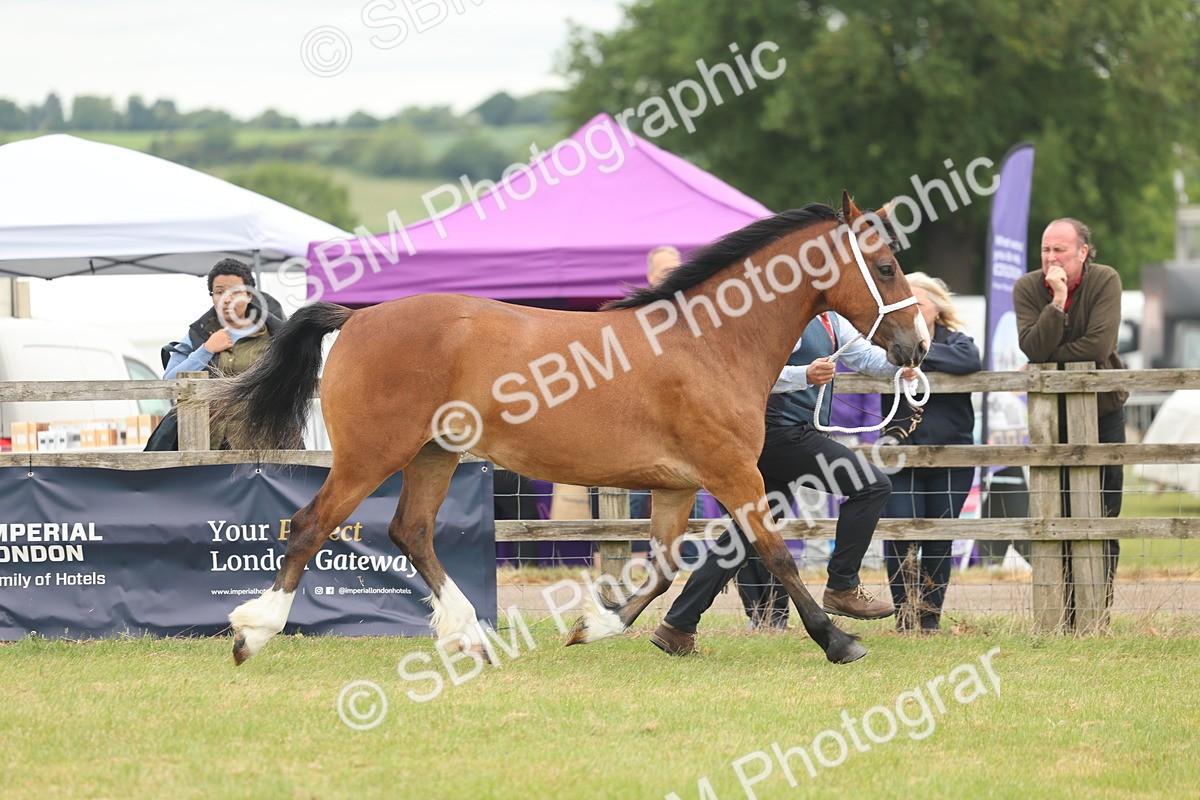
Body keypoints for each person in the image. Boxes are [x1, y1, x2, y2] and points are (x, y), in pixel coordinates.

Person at [651, 311, 912, 656]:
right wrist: (803, 374)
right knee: (871, 485)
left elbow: (863, 356)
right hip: (778, 433)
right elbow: (747, 376)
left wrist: (902, 367)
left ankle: (678, 625)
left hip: (793, 433)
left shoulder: (831, 321)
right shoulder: (776, 317)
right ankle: (842, 587)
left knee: (747, 532)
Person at [1014, 218, 1126, 614]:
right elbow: (1031, 347)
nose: (1051, 258)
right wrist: (1058, 302)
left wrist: (1046, 357)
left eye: (1059, 250)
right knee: (1054, 513)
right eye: (1046, 249)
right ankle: (1061, 609)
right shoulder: (1029, 288)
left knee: (1104, 513)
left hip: (1103, 410)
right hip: (1050, 417)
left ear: (1083, 252)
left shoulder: (1105, 280)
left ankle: (1096, 609)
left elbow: (1099, 346)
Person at [879, 273, 982, 633]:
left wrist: (922, 352)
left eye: (918, 304)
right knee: (900, 536)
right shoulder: (889, 343)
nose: (913, 310)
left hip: (951, 460)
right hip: (901, 456)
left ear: (937, 309)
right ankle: (905, 616)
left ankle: (930, 617)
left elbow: (968, 360)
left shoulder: (959, 341)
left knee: (939, 538)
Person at [148, 258, 286, 450]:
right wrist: (206, 350)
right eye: (219, 292)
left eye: (235, 292)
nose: (227, 299)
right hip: (208, 445)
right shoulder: (198, 335)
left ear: (249, 295)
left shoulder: (276, 336)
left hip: (262, 445)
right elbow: (170, 381)